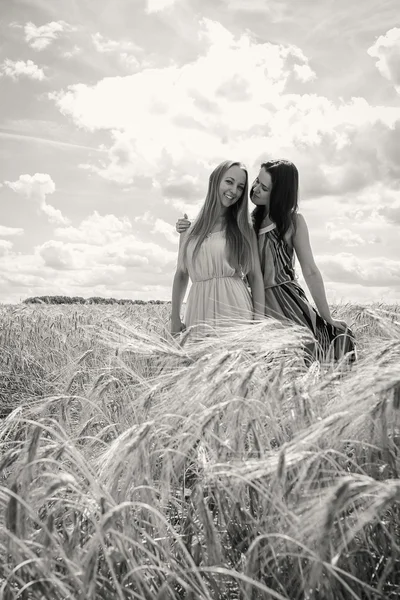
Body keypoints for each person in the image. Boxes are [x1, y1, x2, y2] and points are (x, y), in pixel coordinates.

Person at [176, 159, 356, 362]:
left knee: (304, 358)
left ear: (278, 194)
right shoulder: (249, 223)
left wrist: (327, 316)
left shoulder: (292, 221)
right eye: (256, 181)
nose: (255, 189)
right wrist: (187, 226)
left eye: (264, 187)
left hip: (287, 303)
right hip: (255, 302)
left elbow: (310, 271)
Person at [171, 160, 265, 337]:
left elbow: (255, 276)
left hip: (235, 309)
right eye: (229, 182)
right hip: (198, 310)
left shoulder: (243, 227)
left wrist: (258, 324)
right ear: (215, 180)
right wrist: (174, 317)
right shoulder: (188, 228)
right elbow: (181, 274)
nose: (234, 191)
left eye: (240, 187)